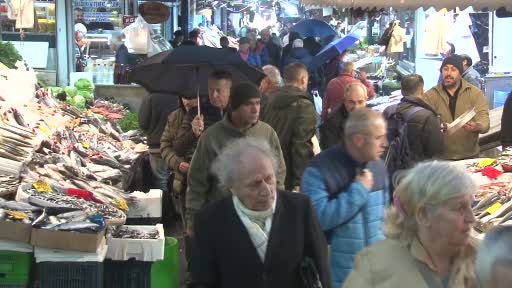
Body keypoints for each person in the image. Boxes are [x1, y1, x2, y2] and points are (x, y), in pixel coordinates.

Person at [190, 137, 330, 288]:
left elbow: (321, 267)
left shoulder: (300, 208)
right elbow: (203, 282)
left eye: (269, 178)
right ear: (232, 187)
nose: (266, 190)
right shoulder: (209, 222)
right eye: (255, 184)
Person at [344, 161, 478, 288]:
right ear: (423, 215)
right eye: (459, 208)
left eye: (470, 205)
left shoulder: (485, 258)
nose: (472, 219)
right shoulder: (375, 267)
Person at [301, 108, 389, 287]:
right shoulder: (319, 170)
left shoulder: (379, 167)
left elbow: (386, 220)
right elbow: (316, 220)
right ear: (358, 140)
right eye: (378, 137)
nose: (385, 143)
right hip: (341, 278)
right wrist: (358, 191)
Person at [186, 82, 286, 234]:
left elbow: (279, 173)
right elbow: (197, 182)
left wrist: (278, 209)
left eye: (258, 104)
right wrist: (193, 220)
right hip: (223, 219)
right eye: (248, 104)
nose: (255, 109)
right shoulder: (212, 137)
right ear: (234, 106)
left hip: (261, 219)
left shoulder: (267, 133)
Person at [260, 63, 316, 192]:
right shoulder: (304, 106)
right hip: (290, 176)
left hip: (268, 170)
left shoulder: (267, 102)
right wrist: (300, 180)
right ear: (303, 79)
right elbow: (301, 145)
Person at [423, 55, 490, 160]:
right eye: (445, 69)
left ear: (460, 73)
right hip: (440, 159)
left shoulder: (475, 93)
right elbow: (423, 123)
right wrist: (438, 126)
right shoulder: (430, 95)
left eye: (453, 69)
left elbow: (485, 121)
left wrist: (478, 126)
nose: (448, 73)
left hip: (469, 157)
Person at [383, 74, 444, 163]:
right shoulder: (428, 116)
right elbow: (436, 152)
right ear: (422, 91)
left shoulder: (388, 111)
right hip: (419, 172)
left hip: (393, 171)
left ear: (402, 91)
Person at [173, 70, 232, 161]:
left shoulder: (238, 112)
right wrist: (193, 133)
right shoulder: (196, 113)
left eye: (219, 90)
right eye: (211, 90)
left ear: (229, 91)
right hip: (204, 170)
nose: (214, 95)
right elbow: (178, 149)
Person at [160, 95, 198, 222]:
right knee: (187, 224)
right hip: (182, 181)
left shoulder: (211, 116)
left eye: (191, 97)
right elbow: (165, 146)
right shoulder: (174, 117)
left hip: (204, 183)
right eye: (184, 97)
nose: (187, 101)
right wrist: (177, 162)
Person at [139, 92, 180, 199]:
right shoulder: (181, 94)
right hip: (178, 145)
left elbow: (143, 123)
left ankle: (165, 209)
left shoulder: (150, 96)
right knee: (178, 178)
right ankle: (176, 209)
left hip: (156, 146)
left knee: (161, 180)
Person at [319, 82, 368, 150]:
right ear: (344, 101)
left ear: (366, 100)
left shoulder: (370, 117)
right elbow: (330, 155)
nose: (356, 107)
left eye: (360, 102)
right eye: (351, 102)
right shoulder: (332, 123)